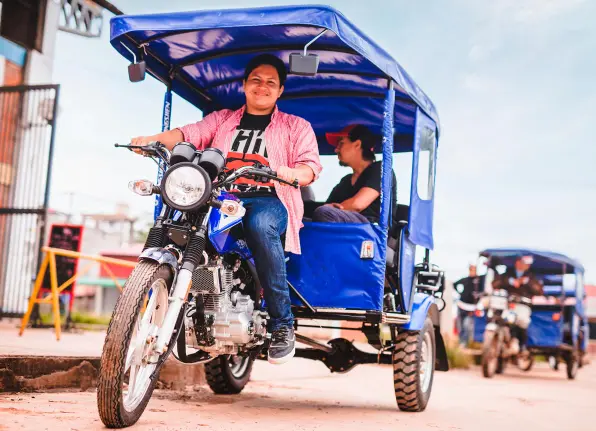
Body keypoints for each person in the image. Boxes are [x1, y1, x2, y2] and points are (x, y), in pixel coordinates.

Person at [130, 54, 322, 364]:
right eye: (256, 80)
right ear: (245, 85)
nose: (263, 87)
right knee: (187, 229)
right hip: (219, 196)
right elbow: (186, 134)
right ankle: (199, 310)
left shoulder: (295, 126)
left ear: (280, 91)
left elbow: (310, 167)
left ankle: (282, 324)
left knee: (261, 226)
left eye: (271, 82)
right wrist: (151, 140)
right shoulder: (222, 119)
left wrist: (292, 173)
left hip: (269, 198)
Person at [312, 124, 397, 223]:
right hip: (347, 230)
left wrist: (333, 209)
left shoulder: (381, 169)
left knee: (324, 213)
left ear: (357, 144)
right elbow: (326, 207)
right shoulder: (345, 181)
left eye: (341, 144)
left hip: (371, 232)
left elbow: (358, 205)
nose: (336, 149)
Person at [492, 255, 543, 355]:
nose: (525, 266)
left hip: (524, 304)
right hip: (507, 303)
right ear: (517, 262)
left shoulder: (531, 276)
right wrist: (510, 281)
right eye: (523, 263)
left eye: (527, 264)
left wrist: (527, 282)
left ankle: (522, 346)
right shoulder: (508, 273)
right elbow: (495, 284)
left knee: (522, 321)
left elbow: (539, 290)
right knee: (502, 319)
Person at [454, 264, 482, 347]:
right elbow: (455, 284)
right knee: (460, 325)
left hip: (471, 307)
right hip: (462, 305)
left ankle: (464, 343)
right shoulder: (465, 279)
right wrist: (459, 293)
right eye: (471, 270)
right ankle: (461, 342)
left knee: (467, 325)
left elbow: (481, 293)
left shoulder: (478, 281)